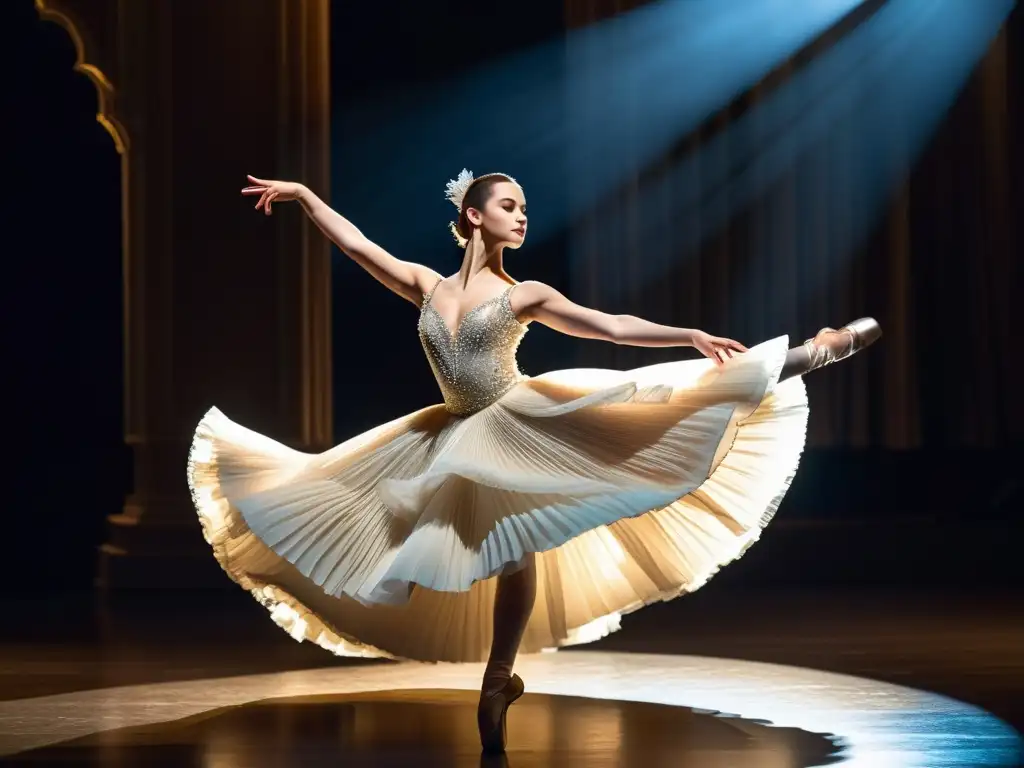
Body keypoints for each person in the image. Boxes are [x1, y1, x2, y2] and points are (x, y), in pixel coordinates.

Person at [187, 169, 880, 754]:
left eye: (523, 209)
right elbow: (359, 245)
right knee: (504, 549)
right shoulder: (426, 285)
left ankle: (813, 351)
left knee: (673, 396)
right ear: (473, 216)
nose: (522, 218)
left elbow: (608, 325)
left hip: (521, 419)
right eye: (510, 206)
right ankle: (497, 680)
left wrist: (687, 331)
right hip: (450, 432)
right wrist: (306, 196)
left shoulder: (526, 295)